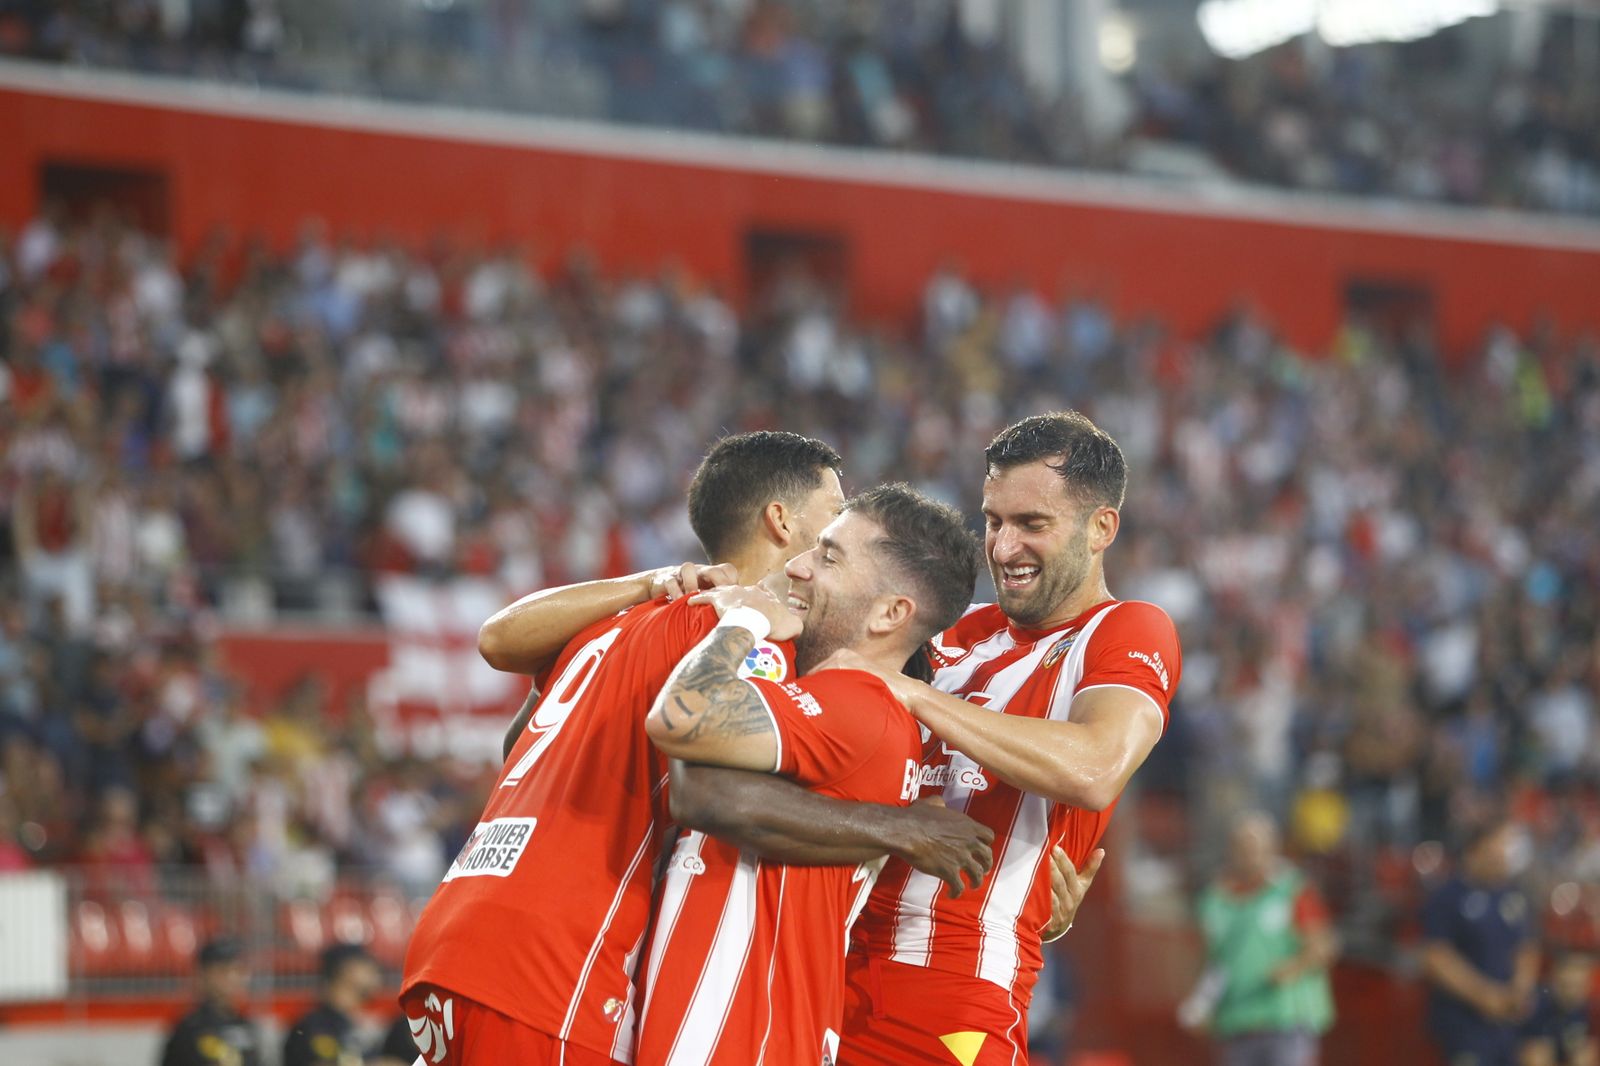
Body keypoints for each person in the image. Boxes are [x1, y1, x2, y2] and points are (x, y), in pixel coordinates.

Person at [400, 432, 994, 1066]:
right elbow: (705, 784)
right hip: (555, 964)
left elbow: (516, 731)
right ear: (782, 521)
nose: (820, 550)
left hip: (457, 926)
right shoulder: (745, 635)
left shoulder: (622, 616)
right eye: (830, 522)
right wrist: (900, 828)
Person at [834, 411, 1184, 1065]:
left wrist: (914, 694)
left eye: (1032, 524)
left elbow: (1096, 766)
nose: (1000, 547)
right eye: (993, 520)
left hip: (954, 997)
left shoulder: (1126, 631)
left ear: (1101, 528)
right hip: (829, 970)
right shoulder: (950, 632)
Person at [631, 483, 980, 1064]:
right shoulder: (854, 706)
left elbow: (681, 720)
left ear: (890, 613)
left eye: (829, 556)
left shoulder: (857, 701)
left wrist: (743, 621)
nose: (796, 566)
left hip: (734, 1031)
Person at [1184, 811, 1336, 1066]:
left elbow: (1323, 945)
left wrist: (1294, 967)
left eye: (1257, 848)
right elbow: (1211, 961)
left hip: (1286, 1019)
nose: (1250, 855)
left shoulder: (1293, 890)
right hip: (1236, 1021)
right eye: (1243, 848)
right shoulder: (1214, 901)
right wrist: (1200, 1004)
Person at [1421, 818, 1541, 1066]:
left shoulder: (1512, 895)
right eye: (1495, 851)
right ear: (1473, 852)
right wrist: (1486, 996)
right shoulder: (1447, 896)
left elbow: (1526, 947)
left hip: (1507, 1024)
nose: (1502, 860)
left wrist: (1519, 990)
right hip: (1464, 1023)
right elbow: (1437, 957)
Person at [158, 937, 263, 1066]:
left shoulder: (246, 1025)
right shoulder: (190, 1029)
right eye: (223, 971)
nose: (232, 978)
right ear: (203, 975)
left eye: (238, 970)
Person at [281, 942, 384, 1066]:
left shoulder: (360, 1023)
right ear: (348, 971)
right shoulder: (312, 1026)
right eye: (367, 966)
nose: (376, 973)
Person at [1518, 951, 1597, 1066]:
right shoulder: (1536, 1005)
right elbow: (1534, 1059)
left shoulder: (1589, 1010)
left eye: (1578, 986)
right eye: (1566, 986)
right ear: (1554, 980)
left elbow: (1588, 1053)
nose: (1572, 993)